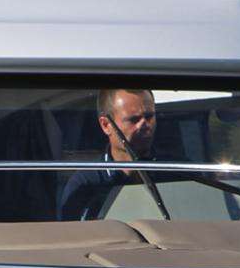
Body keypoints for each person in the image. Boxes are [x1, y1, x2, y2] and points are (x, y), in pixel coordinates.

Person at [58, 87, 162, 219]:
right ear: (106, 125)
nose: (145, 125)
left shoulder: (175, 171)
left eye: (149, 116)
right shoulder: (85, 184)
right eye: (134, 119)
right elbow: (72, 230)